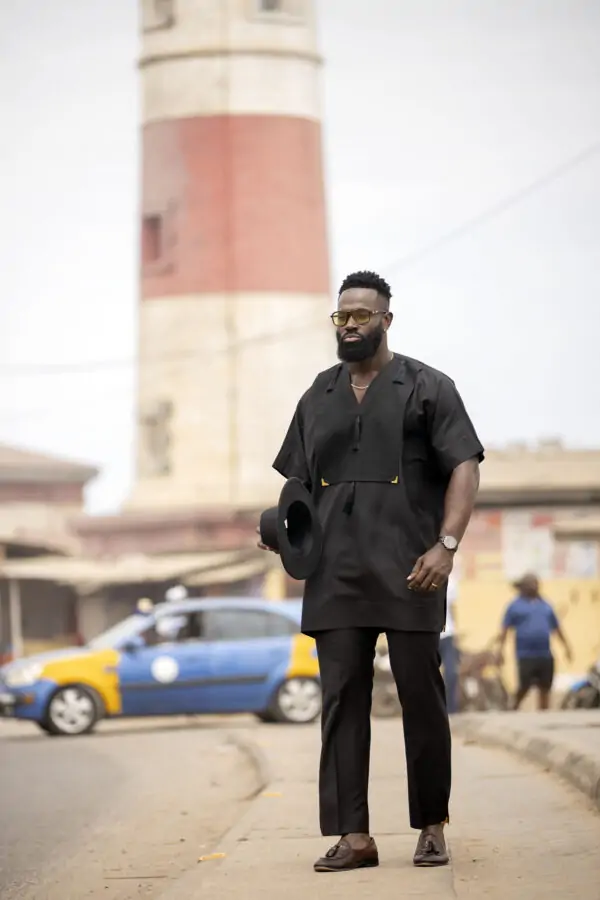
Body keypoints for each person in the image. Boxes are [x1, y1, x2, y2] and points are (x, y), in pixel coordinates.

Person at [258, 270, 484, 872]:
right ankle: (354, 836)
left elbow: (464, 466)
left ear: (386, 319)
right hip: (334, 572)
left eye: (362, 315)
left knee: (421, 697)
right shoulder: (319, 394)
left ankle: (431, 826)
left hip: (412, 567)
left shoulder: (428, 387)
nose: (351, 325)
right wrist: (282, 533)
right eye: (342, 316)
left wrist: (446, 545)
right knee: (341, 702)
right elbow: (297, 485)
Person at [498, 573, 572, 711]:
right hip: (525, 654)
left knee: (545, 687)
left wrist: (566, 647)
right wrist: (500, 651)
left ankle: (543, 714)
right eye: (531, 583)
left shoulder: (546, 605)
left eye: (536, 583)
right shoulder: (515, 606)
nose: (534, 586)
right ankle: (513, 707)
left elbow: (557, 628)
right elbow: (504, 630)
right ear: (523, 587)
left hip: (545, 654)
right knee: (524, 685)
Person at [439, 574, 460, 714]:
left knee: (451, 673)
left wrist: (456, 631)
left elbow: (452, 608)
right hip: (427, 634)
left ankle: (451, 709)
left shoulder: (451, 583)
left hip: (447, 634)